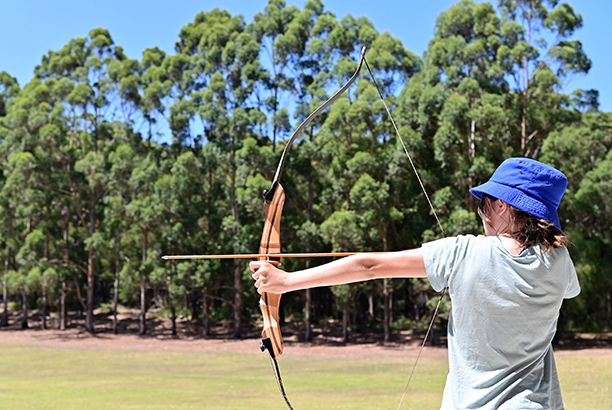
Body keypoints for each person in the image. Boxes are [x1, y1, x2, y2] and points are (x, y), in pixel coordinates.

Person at [251, 157, 580, 410]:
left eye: (485, 207)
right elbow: (562, 286)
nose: (482, 216)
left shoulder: (464, 251)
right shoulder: (559, 262)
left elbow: (369, 265)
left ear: (502, 205)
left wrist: (284, 281)